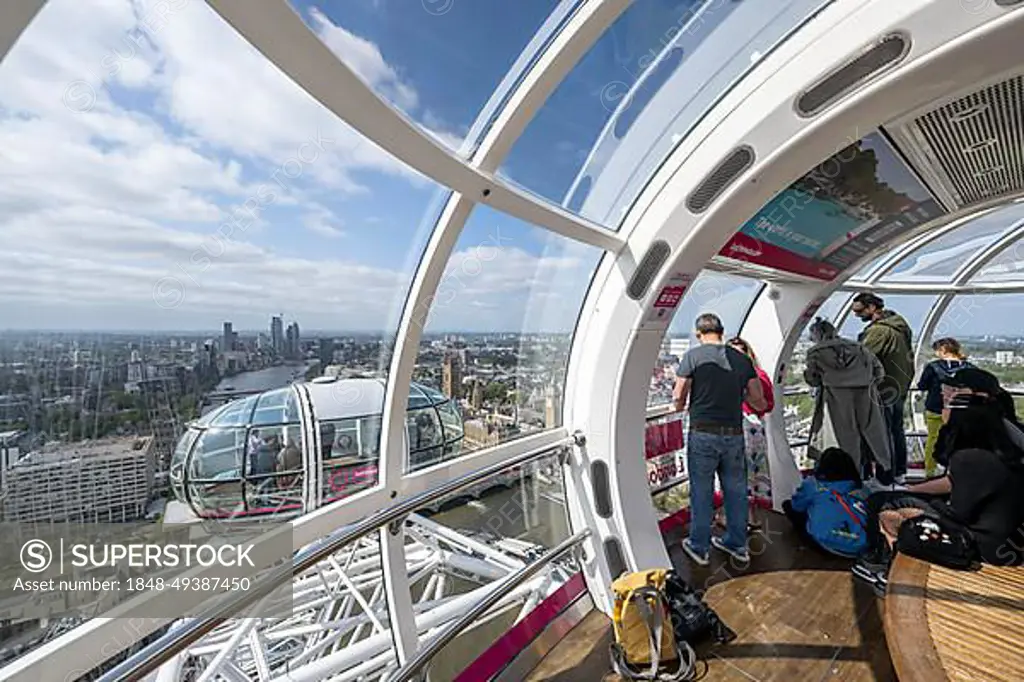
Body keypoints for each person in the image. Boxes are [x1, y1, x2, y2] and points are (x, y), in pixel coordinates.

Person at [853, 391, 1024, 588]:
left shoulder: (968, 459)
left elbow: (958, 514)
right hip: (1010, 542)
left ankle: (881, 563)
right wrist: (914, 491)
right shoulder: (1006, 450)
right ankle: (886, 561)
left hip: (982, 546)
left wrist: (923, 506)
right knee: (901, 500)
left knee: (881, 502)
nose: (942, 410)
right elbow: (954, 483)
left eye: (948, 406)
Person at [673, 313, 767, 566]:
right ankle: (737, 544)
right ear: (722, 331)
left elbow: (679, 394)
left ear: (698, 334)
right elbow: (757, 398)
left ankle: (699, 546)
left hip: (703, 432)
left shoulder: (692, 356)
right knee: (736, 491)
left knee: (701, 491)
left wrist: (680, 405)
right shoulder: (742, 359)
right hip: (734, 434)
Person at [803, 318, 891, 480]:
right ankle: (881, 473)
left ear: (815, 335)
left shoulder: (815, 353)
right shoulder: (859, 348)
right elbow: (879, 373)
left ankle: (846, 479)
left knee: (842, 440)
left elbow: (812, 379)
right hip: (866, 396)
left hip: (834, 400)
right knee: (874, 436)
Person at [851, 293, 914, 483]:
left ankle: (886, 474)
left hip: (883, 388)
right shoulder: (899, 326)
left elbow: (862, 357)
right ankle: (898, 472)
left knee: (883, 432)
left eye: (860, 310)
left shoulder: (879, 332)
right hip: (898, 386)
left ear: (872, 308)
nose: (857, 315)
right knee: (896, 430)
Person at [783, 447, 868, 557]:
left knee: (789, 505)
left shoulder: (813, 484)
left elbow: (796, 506)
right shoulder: (860, 486)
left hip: (827, 544)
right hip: (862, 543)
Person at [727, 336, 774, 528]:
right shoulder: (759, 375)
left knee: (736, 474)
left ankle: (736, 519)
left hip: (739, 430)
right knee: (753, 474)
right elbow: (768, 405)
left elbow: (764, 404)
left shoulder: (729, 376)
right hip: (756, 431)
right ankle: (751, 517)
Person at [916, 338, 971, 476]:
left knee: (933, 439)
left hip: (935, 408)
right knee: (958, 439)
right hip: (959, 409)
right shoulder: (969, 368)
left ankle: (930, 471)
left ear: (942, 351)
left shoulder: (933, 367)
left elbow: (922, 385)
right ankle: (954, 471)